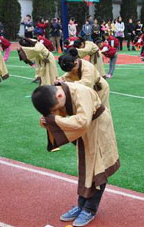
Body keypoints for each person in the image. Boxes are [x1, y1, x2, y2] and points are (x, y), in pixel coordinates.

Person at [31, 82, 119, 226]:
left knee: (98, 169)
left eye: (56, 109)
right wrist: (49, 119)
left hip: (98, 128)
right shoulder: (59, 89)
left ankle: (90, 209)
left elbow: (83, 122)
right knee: (85, 166)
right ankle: (81, 205)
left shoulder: (81, 93)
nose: (57, 111)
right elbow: (60, 114)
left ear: (59, 96)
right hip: (86, 131)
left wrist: (54, 120)